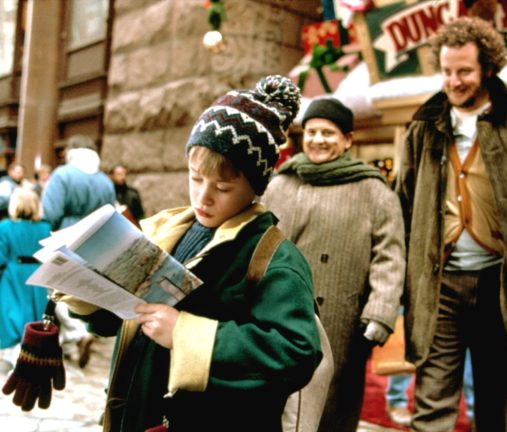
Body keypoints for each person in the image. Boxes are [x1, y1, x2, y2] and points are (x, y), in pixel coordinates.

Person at [55, 75, 322, 431]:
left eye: (222, 187)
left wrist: (185, 333)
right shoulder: (164, 230)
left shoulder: (274, 258)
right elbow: (118, 321)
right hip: (136, 415)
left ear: (255, 187)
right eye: (195, 178)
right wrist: (86, 287)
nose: (203, 197)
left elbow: (297, 352)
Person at [394, 17, 507, 432]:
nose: (454, 80)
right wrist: (399, 278)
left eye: (464, 71)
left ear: (488, 67)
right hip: (439, 284)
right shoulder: (423, 123)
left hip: (498, 283)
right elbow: (404, 202)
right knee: (430, 403)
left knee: (492, 406)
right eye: (447, 71)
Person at [262, 97, 406, 432]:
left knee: (333, 405)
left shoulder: (374, 190)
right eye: (312, 131)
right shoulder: (281, 183)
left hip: (342, 320)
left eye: (328, 132)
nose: (318, 139)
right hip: (278, 313)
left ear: (347, 140)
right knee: (276, 401)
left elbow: (390, 255)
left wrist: (380, 311)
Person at [42, 134, 117, 368]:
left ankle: (76, 333)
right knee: (85, 290)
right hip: (97, 240)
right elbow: (112, 213)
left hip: (68, 236)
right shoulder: (105, 181)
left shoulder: (62, 175)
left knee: (60, 289)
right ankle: (71, 341)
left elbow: (50, 213)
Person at [0, 188, 52, 371]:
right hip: (37, 272)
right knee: (33, 312)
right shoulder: (45, 227)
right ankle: (25, 349)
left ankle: (11, 353)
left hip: (13, 273)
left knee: (11, 311)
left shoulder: (5, 226)